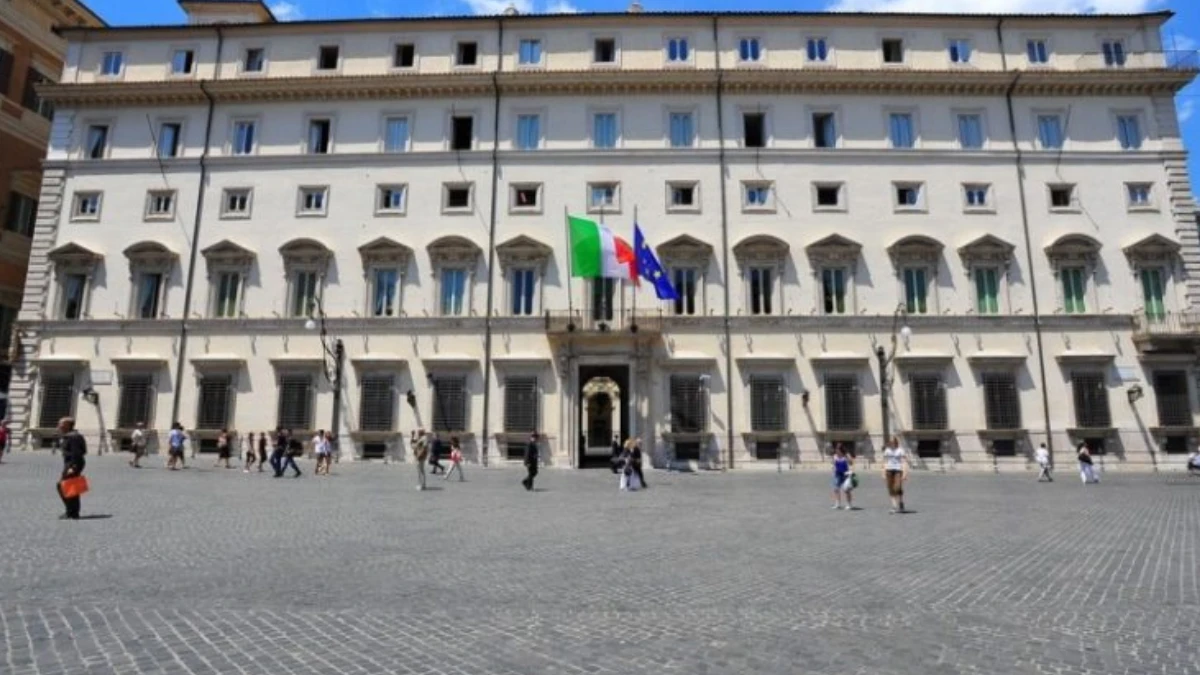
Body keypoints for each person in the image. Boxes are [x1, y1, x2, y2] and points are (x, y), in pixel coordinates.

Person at [55, 417, 87, 520]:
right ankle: (72, 512)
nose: (59, 426)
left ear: (68, 425)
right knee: (71, 487)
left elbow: (77, 453)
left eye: (61, 424)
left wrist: (73, 467)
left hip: (73, 464)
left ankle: (71, 512)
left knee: (63, 486)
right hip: (72, 463)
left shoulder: (73, 437)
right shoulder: (72, 436)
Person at [881, 437, 910, 514]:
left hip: (898, 470)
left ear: (895, 442)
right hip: (889, 470)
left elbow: (904, 462)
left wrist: (905, 473)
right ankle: (894, 506)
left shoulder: (900, 450)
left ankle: (901, 502)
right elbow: (884, 461)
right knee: (890, 488)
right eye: (890, 442)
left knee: (897, 487)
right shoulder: (887, 450)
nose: (891, 443)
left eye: (892, 442)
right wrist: (883, 472)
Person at [831, 444, 854, 510]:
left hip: (845, 475)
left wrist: (848, 457)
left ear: (841, 450)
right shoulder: (835, 456)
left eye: (838, 449)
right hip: (837, 474)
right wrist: (833, 469)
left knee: (846, 490)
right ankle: (837, 503)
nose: (836, 451)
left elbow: (851, 463)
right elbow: (833, 464)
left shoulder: (846, 456)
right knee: (836, 489)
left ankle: (849, 504)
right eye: (836, 449)